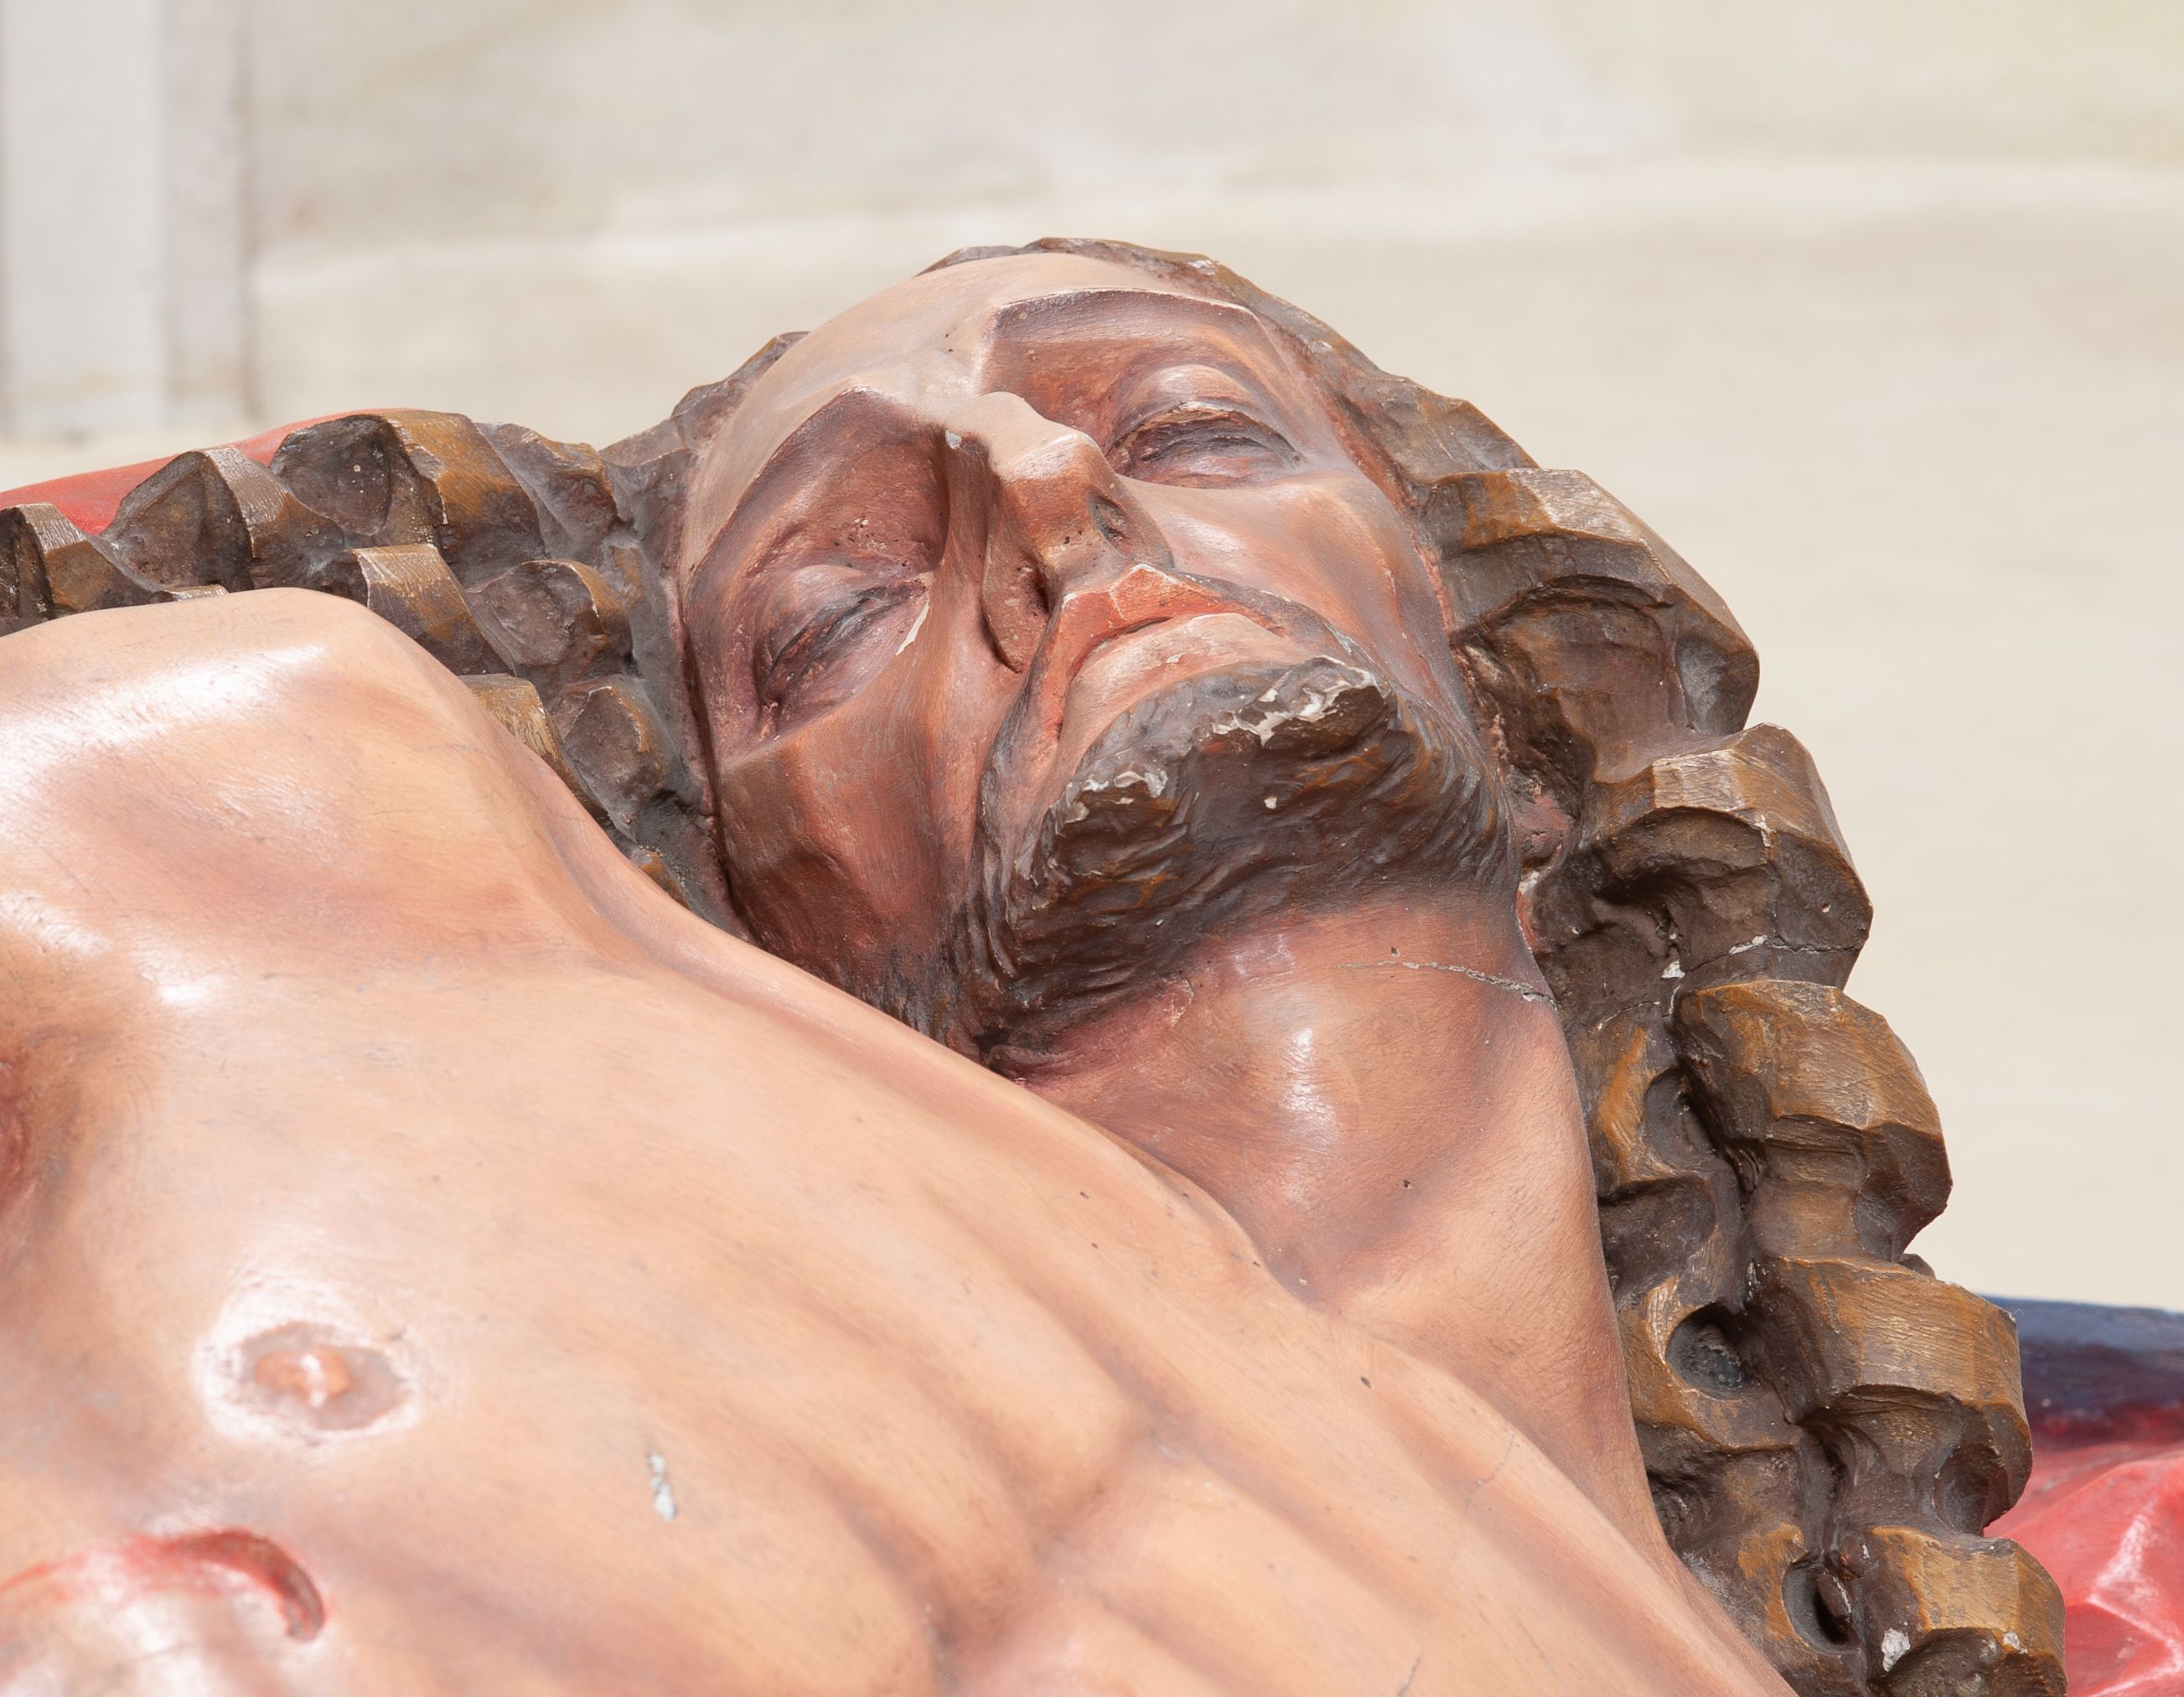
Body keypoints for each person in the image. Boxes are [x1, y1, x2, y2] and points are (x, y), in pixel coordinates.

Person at [0, 242, 2047, 1694]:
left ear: (1517, 698)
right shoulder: (289, 844)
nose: (1052, 488)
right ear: (722, 906)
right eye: (837, 608)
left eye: (1197, 429)